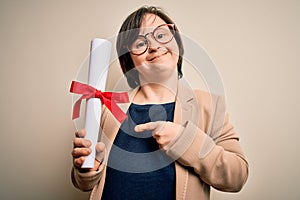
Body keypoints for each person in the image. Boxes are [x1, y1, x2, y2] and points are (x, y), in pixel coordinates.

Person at [71, 6, 248, 200]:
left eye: (162, 35)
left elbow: (237, 176)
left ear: (178, 44)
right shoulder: (107, 108)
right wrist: (87, 171)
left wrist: (185, 141)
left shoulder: (209, 105)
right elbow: (85, 183)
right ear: (129, 59)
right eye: (140, 43)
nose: (154, 46)